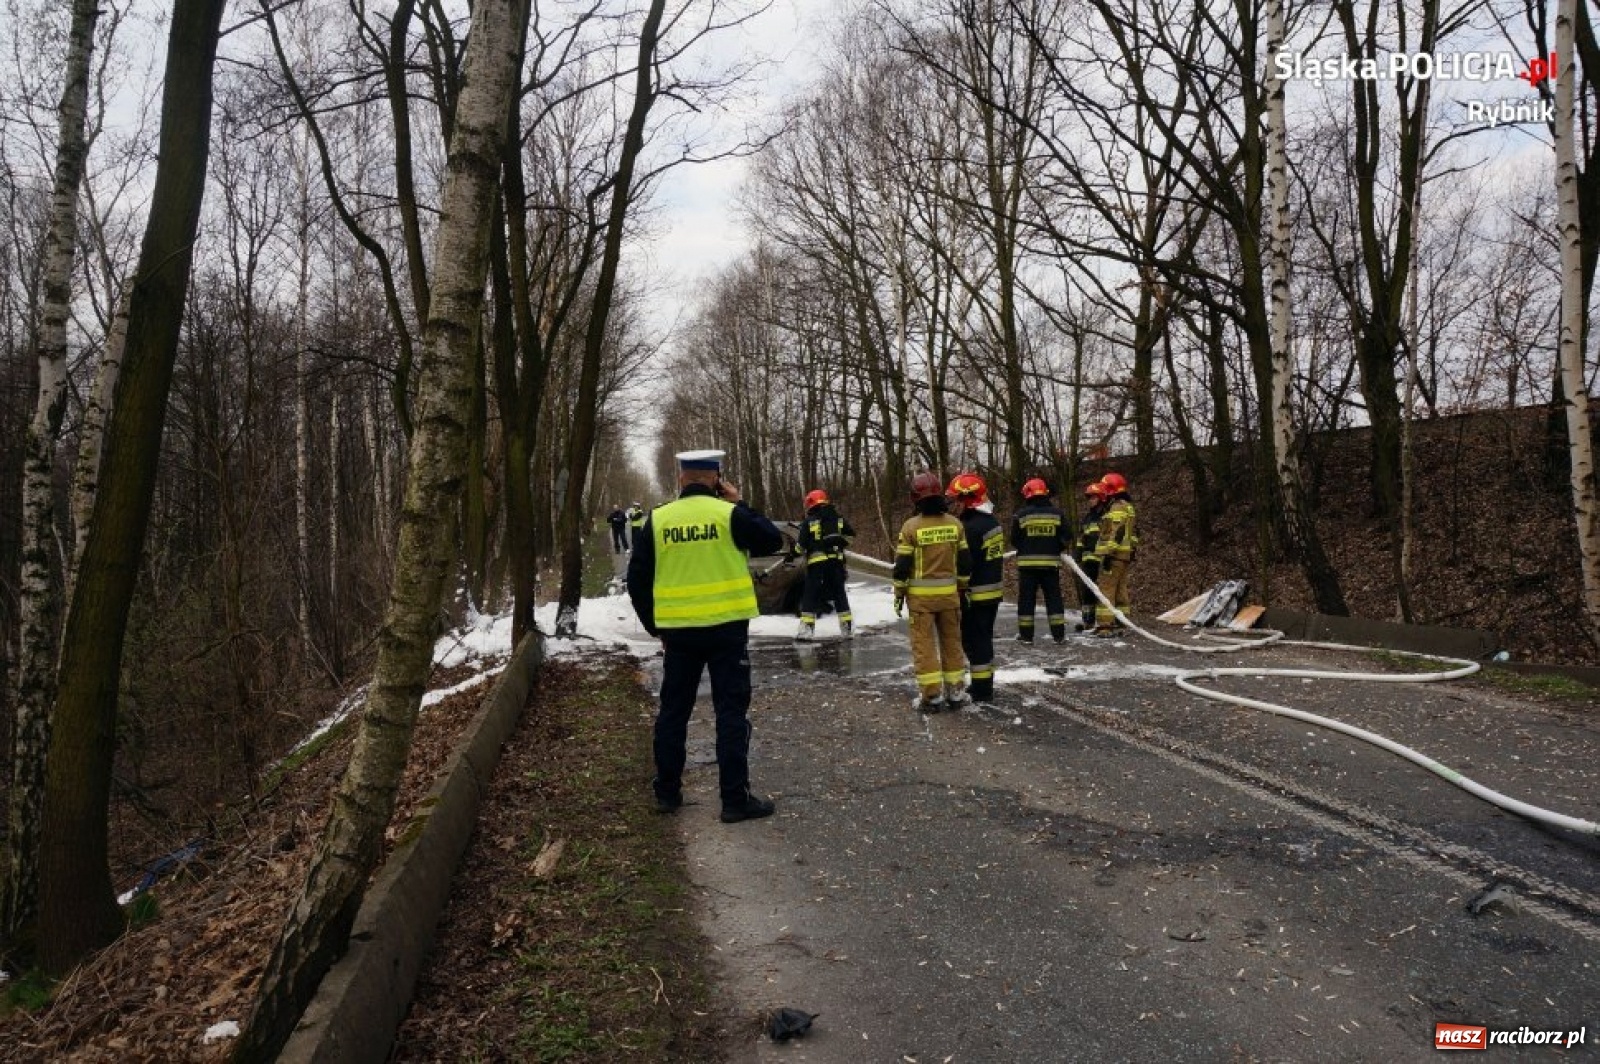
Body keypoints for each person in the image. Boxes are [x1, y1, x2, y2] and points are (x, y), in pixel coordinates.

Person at [627, 450, 786, 823]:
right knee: (730, 712)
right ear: (716, 479)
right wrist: (740, 503)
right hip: (727, 631)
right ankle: (734, 800)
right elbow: (771, 540)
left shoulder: (659, 519)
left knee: (673, 712)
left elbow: (636, 580)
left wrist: (656, 627)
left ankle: (667, 793)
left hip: (678, 635)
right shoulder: (729, 515)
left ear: (681, 478)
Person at [893, 471, 971, 713]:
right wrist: (962, 587)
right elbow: (965, 562)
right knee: (952, 644)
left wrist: (898, 594)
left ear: (915, 499)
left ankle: (932, 696)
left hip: (920, 602)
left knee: (924, 646)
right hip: (950, 598)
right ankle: (956, 693)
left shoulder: (911, 527)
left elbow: (902, 567)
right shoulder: (955, 524)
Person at [947, 472, 1004, 702]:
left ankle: (982, 689)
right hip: (992, 591)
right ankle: (984, 682)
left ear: (968, 500)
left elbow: (964, 563)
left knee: (974, 640)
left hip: (975, 594)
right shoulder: (991, 522)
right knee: (984, 638)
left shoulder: (969, 528)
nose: (955, 505)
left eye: (957, 500)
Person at [1010, 477, 1071, 643]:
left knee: (1026, 601)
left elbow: (1014, 540)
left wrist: (1027, 546)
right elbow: (1067, 536)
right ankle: (1058, 635)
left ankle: (1026, 636)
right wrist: (1055, 547)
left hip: (1027, 566)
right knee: (1054, 599)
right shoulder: (1058, 514)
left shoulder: (1020, 515)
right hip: (1050, 565)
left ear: (1028, 495)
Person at [795, 488, 855, 640]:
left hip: (817, 565)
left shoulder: (808, 522)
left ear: (810, 503)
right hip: (836, 563)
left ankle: (806, 632)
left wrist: (793, 553)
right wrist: (840, 544)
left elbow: (800, 546)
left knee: (810, 595)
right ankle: (847, 630)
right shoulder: (838, 519)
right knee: (839, 594)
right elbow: (851, 536)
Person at [1090, 472, 1138, 635]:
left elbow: (1116, 532)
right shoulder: (1128, 507)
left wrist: (1108, 553)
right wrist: (1132, 551)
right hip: (1125, 556)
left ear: (1111, 489)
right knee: (1120, 589)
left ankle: (1105, 626)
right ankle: (1123, 621)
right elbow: (1134, 533)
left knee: (1106, 589)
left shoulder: (1117, 507)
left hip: (1115, 555)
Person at [1072, 481, 1109, 630]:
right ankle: (1088, 621)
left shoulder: (1106, 516)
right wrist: (1077, 554)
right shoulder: (1087, 518)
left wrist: (1107, 555)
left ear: (1101, 498)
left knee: (1104, 590)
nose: (1090, 501)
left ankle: (1104, 620)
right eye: (1089, 498)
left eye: (1093, 498)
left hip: (1103, 558)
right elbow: (1081, 538)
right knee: (1087, 591)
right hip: (1088, 560)